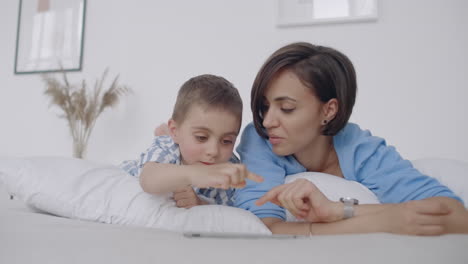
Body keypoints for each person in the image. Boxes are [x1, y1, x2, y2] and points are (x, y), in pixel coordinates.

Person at [235, 42, 468, 235]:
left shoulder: (362, 149)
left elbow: (457, 217)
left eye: (286, 108)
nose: (267, 121)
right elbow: (264, 231)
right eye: (265, 106)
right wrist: (378, 221)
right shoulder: (260, 139)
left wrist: (339, 211)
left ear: (329, 111)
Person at [120, 74, 262, 209]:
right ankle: (164, 132)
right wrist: (194, 174)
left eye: (226, 141)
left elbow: (227, 209)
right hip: (131, 171)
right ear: (175, 131)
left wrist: (200, 203)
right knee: (163, 141)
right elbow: (148, 180)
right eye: (201, 137)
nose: (213, 151)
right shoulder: (168, 147)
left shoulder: (229, 166)